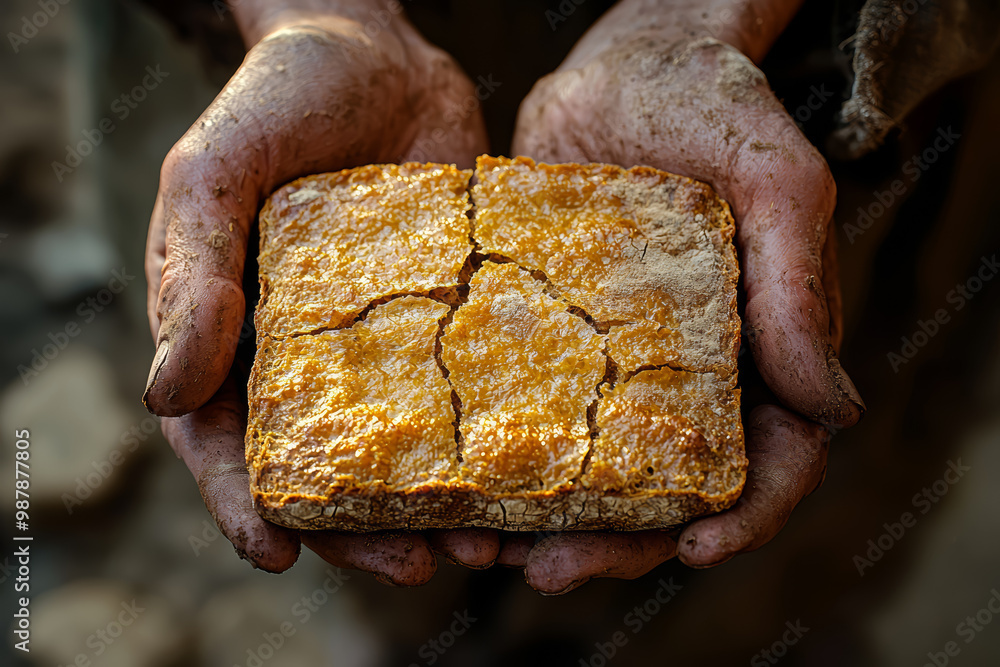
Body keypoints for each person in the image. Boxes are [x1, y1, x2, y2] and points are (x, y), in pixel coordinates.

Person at [143, 0, 866, 595]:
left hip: (798, 55)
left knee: (778, 560)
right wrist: (311, 16)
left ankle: (783, 619)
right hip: (235, 45)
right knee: (380, 584)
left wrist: (701, 20)